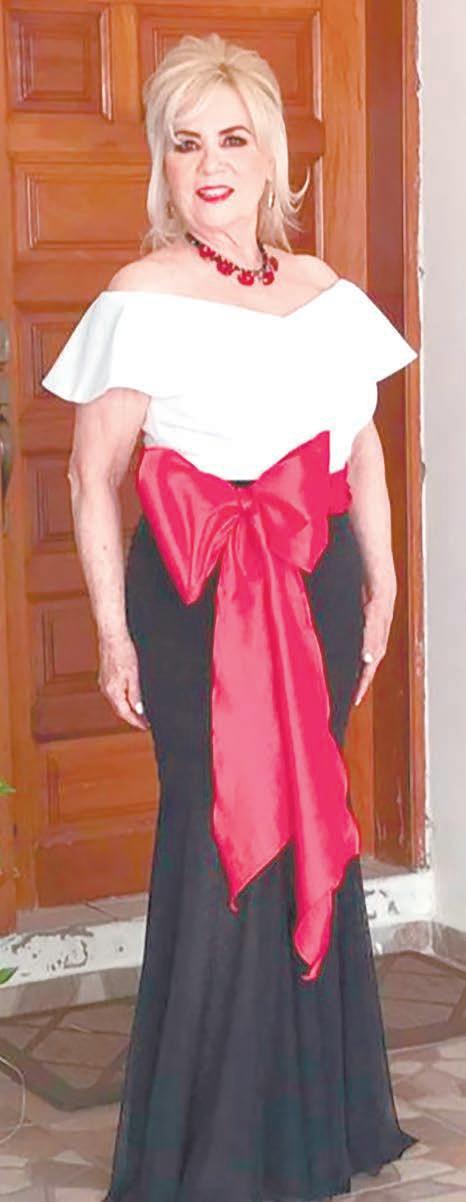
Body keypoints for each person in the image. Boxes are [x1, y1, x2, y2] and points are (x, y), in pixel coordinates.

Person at [42, 32, 419, 1202]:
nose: (209, 163)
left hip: (312, 584)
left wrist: (383, 579)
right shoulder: (138, 295)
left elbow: (358, 446)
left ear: (271, 160)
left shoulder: (325, 293)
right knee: (217, 838)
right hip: (195, 591)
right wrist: (111, 629)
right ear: (164, 164)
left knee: (307, 820)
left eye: (232, 138)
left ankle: (311, 1125)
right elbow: (90, 475)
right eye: (185, 142)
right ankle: (207, 1148)